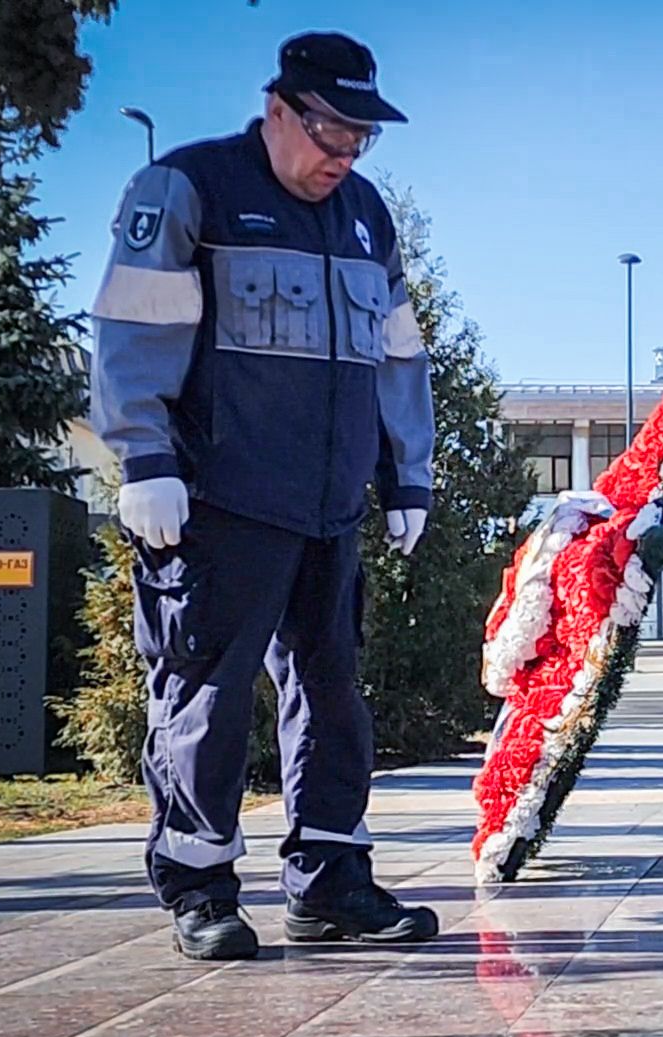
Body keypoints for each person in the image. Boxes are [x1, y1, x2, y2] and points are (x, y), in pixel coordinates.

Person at [88, 31, 438, 960]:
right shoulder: (190, 188)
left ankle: (330, 884)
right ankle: (199, 888)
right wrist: (145, 460)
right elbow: (131, 331)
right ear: (278, 108)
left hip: (329, 506)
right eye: (331, 131)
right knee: (207, 692)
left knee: (332, 695)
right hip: (218, 500)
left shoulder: (365, 215)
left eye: (361, 136)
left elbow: (398, 356)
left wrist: (407, 473)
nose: (346, 154)